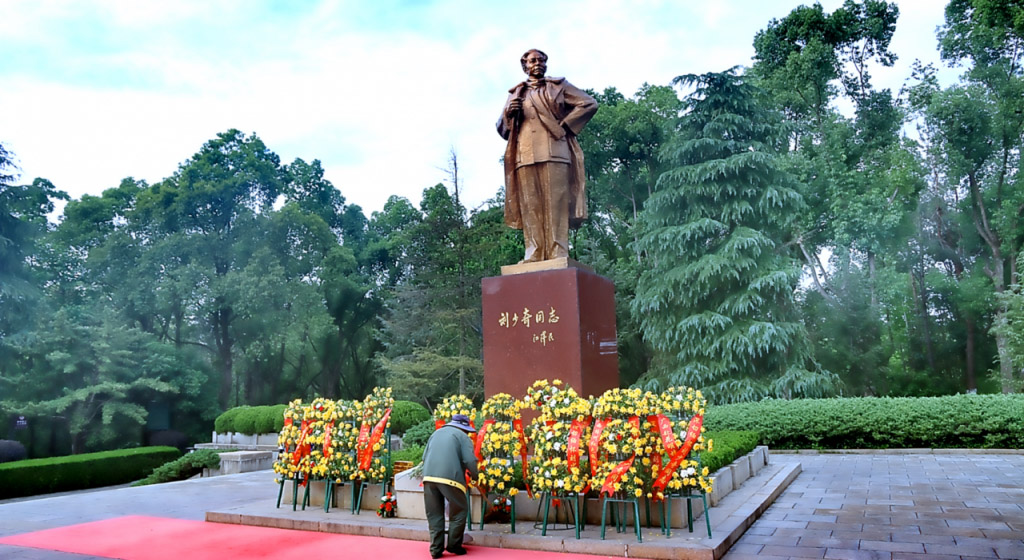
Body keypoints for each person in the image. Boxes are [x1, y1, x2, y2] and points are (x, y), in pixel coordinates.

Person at [498, 49, 598, 264]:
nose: (538, 63)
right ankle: (533, 251)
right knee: (530, 205)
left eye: (542, 60)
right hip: (524, 155)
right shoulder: (516, 93)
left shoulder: (559, 86)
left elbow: (589, 103)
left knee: (556, 203)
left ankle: (557, 251)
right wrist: (509, 114)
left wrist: (566, 125)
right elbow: (502, 129)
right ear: (525, 66)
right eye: (533, 61)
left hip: (555, 152)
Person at [422, 413, 479, 558]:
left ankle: (436, 549)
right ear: (464, 428)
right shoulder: (462, 436)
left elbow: (424, 457)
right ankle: (454, 545)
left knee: (434, 514)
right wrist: (475, 476)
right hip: (451, 479)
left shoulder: (436, 433)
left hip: (428, 477)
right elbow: (470, 460)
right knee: (459, 510)